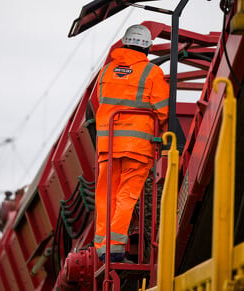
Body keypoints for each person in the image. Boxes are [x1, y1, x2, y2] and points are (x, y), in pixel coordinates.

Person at [94, 24, 169, 262]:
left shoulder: (106, 71)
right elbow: (164, 109)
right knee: (127, 196)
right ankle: (115, 249)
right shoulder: (151, 73)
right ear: (148, 48)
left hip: (108, 145)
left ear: (124, 43)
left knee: (106, 196)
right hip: (137, 148)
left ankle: (102, 248)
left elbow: (99, 101)